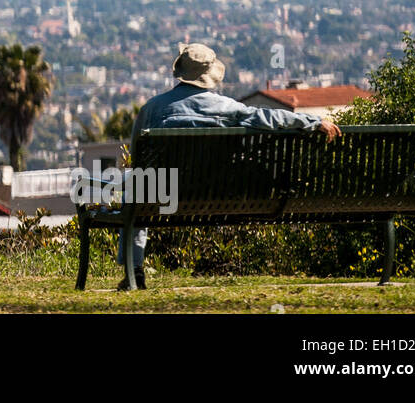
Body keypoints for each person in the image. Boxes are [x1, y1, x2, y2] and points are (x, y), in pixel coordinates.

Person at [116, 42, 341, 289]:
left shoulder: (152, 109)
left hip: (165, 195)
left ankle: (134, 271)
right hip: (213, 194)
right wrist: (312, 121)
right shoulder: (226, 107)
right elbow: (269, 117)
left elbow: (138, 161)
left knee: (137, 187)